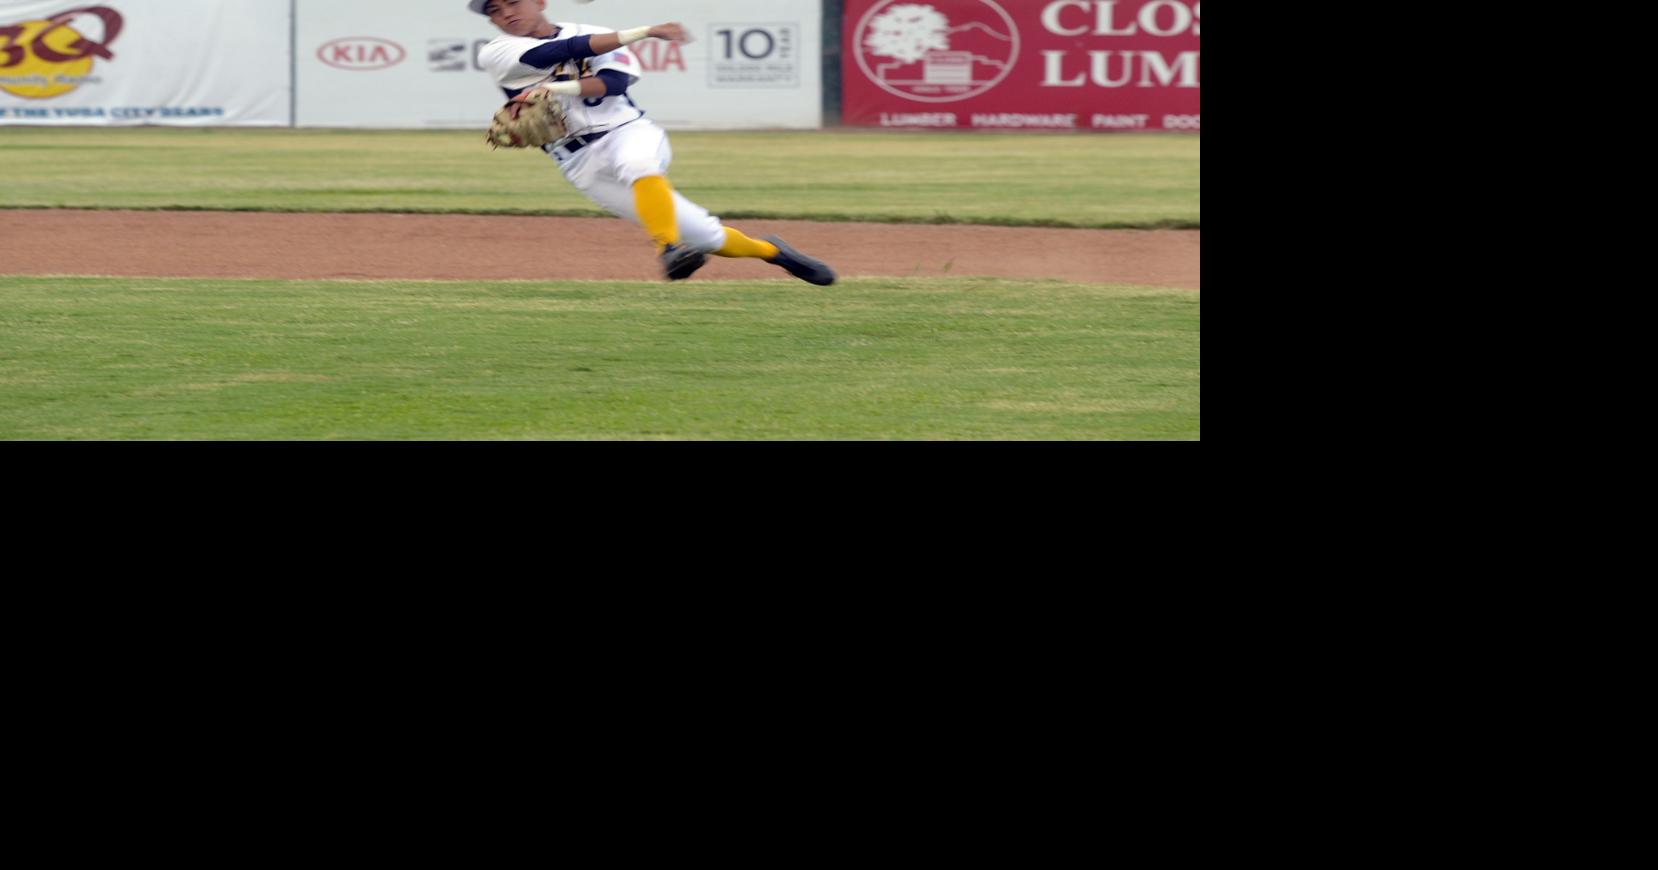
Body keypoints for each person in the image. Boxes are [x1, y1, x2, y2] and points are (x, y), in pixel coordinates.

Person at [469, 0, 837, 285]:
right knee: (706, 236)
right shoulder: (496, 52)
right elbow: (551, 53)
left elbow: (614, 83)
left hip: (626, 130)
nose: (506, 13)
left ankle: (668, 248)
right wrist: (644, 31)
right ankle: (774, 252)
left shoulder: (595, 31)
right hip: (577, 161)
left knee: (638, 166)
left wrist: (552, 87)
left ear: (540, 2)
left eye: (512, 2)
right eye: (495, 11)